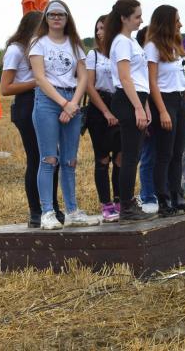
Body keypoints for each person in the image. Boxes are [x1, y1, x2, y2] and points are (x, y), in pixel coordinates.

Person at [28, 0, 100, 229]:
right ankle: (47, 212)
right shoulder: (38, 43)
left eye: (61, 14)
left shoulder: (75, 44)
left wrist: (74, 103)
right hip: (48, 101)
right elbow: (40, 78)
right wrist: (63, 103)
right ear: (46, 18)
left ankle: (72, 211)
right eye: (52, 15)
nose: (56, 18)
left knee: (70, 160)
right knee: (49, 158)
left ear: (67, 18)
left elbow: (83, 77)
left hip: (72, 98)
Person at [0, 11, 64, 228]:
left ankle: (52, 207)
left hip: (44, 101)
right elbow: (6, 88)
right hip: (27, 105)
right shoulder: (16, 50)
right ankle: (36, 211)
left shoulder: (41, 48)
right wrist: (38, 82)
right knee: (37, 159)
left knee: (51, 158)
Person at [104, 0, 151, 222]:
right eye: (137, 16)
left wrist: (146, 105)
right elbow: (125, 77)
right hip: (128, 99)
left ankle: (129, 203)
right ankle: (126, 205)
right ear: (124, 18)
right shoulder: (121, 42)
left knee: (134, 155)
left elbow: (140, 78)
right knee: (130, 157)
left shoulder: (131, 41)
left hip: (138, 98)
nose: (141, 20)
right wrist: (138, 108)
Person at [145, 5, 185, 217]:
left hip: (181, 98)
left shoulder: (176, 45)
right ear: (166, 23)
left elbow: (184, 78)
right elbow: (152, 81)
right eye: (177, 20)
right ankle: (163, 199)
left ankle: (176, 194)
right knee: (165, 153)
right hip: (164, 99)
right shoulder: (153, 47)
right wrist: (162, 111)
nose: (180, 24)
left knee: (178, 151)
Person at [85, 15, 122, 223]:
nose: (100, 32)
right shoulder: (94, 55)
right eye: (97, 28)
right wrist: (106, 112)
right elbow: (89, 86)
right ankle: (106, 203)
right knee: (102, 159)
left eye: (104, 28)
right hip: (99, 109)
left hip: (119, 104)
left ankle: (119, 199)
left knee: (120, 157)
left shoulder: (121, 51)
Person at [136, 27, 158, 214]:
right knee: (148, 156)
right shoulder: (141, 62)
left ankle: (160, 192)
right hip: (147, 110)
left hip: (161, 110)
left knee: (163, 156)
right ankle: (147, 195)